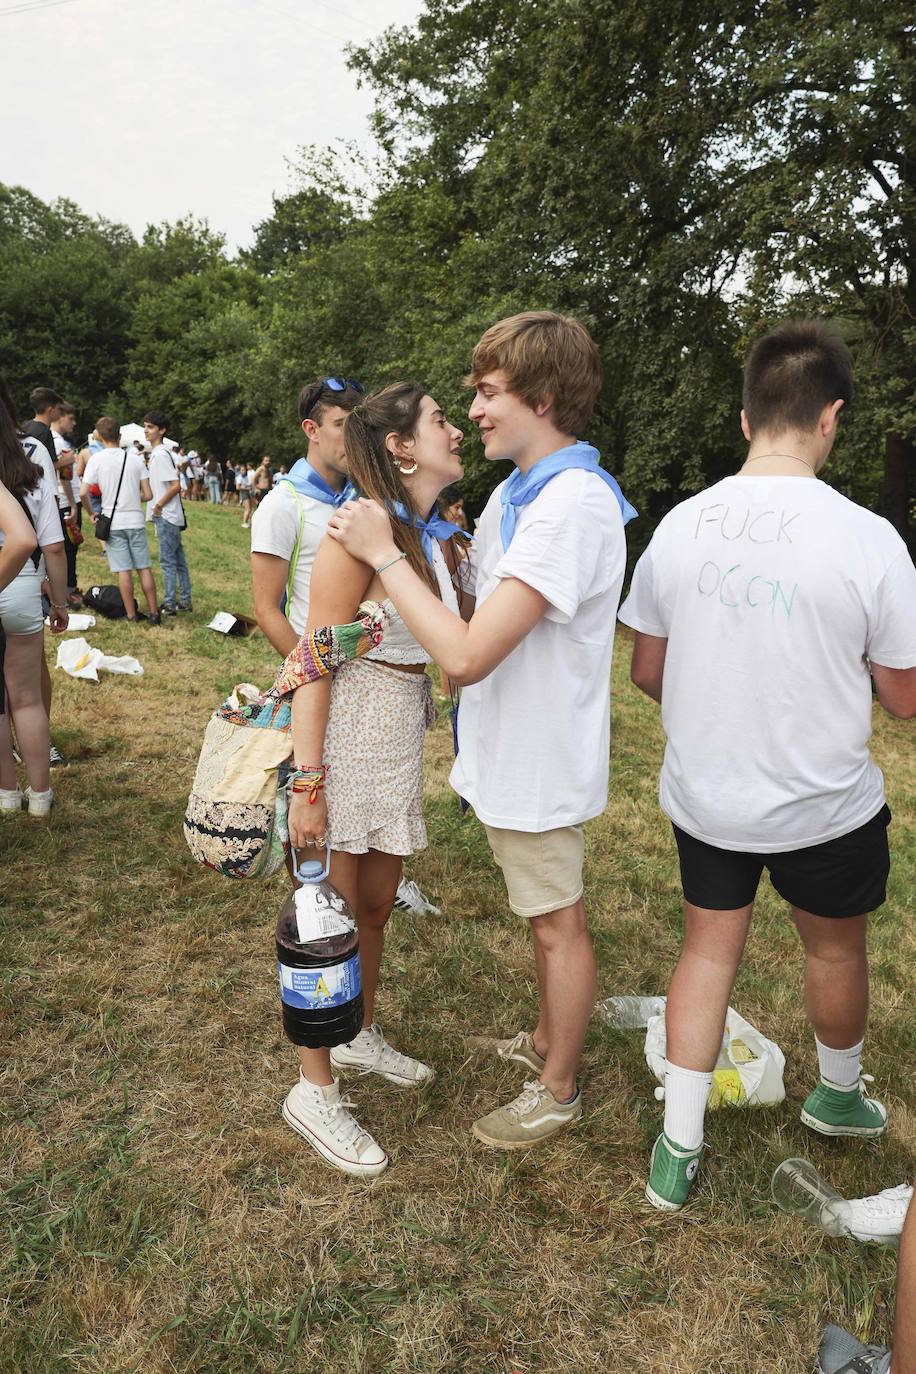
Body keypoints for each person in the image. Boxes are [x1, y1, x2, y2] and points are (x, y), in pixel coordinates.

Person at [617, 319, 916, 1212]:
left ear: (746, 419)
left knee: (707, 952)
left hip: (707, 795)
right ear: (831, 419)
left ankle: (678, 1147)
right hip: (824, 804)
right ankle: (835, 1095)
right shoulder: (870, 540)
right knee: (834, 945)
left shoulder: (679, 525)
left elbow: (645, 670)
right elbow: (903, 697)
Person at [329, 311, 635, 1150]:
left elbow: (464, 655)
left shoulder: (569, 505)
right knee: (541, 913)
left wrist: (387, 556)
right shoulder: (515, 496)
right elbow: (472, 609)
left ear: (540, 397)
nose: (475, 410)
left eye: (489, 392)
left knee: (555, 920)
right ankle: (545, 1038)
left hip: (540, 757)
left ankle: (559, 1087)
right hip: (510, 751)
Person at [280, 381, 471, 1178]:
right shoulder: (352, 534)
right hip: (347, 742)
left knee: (376, 906)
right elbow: (313, 662)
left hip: (396, 745)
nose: (456, 431)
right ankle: (312, 1090)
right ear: (400, 446)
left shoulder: (424, 537)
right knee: (325, 924)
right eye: (438, 421)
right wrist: (308, 784)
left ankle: (354, 1032)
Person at [251, 377, 362, 657]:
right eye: (341, 425)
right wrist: (309, 675)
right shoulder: (282, 504)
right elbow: (266, 610)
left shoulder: (366, 497)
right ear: (312, 430)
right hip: (316, 666)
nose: (356, 437)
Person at [0, 386, 69, 817]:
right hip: (23, 582)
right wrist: (59, 602)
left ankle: (6, 793)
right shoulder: (32, 452)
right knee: (27, 698)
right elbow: (53, 544)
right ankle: (40, 796)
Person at [81, 417, 161, 624]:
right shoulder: (135, 459)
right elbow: (149, 494)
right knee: (144, 567)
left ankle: (131, 614)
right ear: (120, 435)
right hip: (135, 520)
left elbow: (83, 492)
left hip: (112, 522)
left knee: (123, 570)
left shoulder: (96, 459)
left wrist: (91, 512)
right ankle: (154, 613)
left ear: (98, 436)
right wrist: (134, 497)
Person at [144, 411, 192, 615]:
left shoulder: (161, 455)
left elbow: (174, 486)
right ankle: (186, 600)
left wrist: (158, 505)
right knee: (178, 561)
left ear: (161, 430)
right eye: (145, 426)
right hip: (170, 515)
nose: (146, 431)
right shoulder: (160, 454)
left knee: (168, 562)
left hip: (167, 515)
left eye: (151, 427)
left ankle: (170, 603)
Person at [51, 401, 82, 604]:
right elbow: (64, 476)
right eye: (70, 418)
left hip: (64, 499)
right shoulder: (58, 442)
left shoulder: (59, 440)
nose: (74, 423)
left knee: (70, 547)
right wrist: (72, 504)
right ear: (59, 416)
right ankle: (66, 590)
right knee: (69, 548)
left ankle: (67, 587)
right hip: (64, 500)